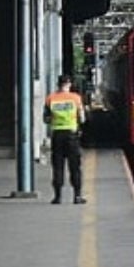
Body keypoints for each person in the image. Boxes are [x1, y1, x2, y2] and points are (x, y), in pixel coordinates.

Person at [43, 74, 85, 204]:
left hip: (57, 135)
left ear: (58, 84)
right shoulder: (76, 98)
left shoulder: (50, 98)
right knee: (75, 167)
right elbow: (82, 118)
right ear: (69, 84)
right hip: (72, 135)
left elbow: (46, 119)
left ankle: (57, 197)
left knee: (58, 167)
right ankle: (77, 196)